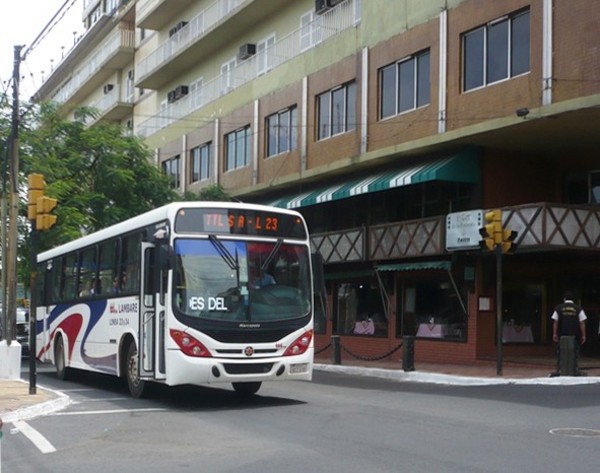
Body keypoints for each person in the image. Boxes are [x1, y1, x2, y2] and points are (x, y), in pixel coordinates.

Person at [550, 291, 587, 376]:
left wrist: (554, 334)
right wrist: (584, 335)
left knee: (560, 352)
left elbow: (555, 321)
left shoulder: (558, 308)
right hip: (575, 334)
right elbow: (582, 322)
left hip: (562, 333)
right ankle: (575, 369)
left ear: (564, 299)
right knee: (575, 352)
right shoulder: (578, 308)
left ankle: (559, 369)